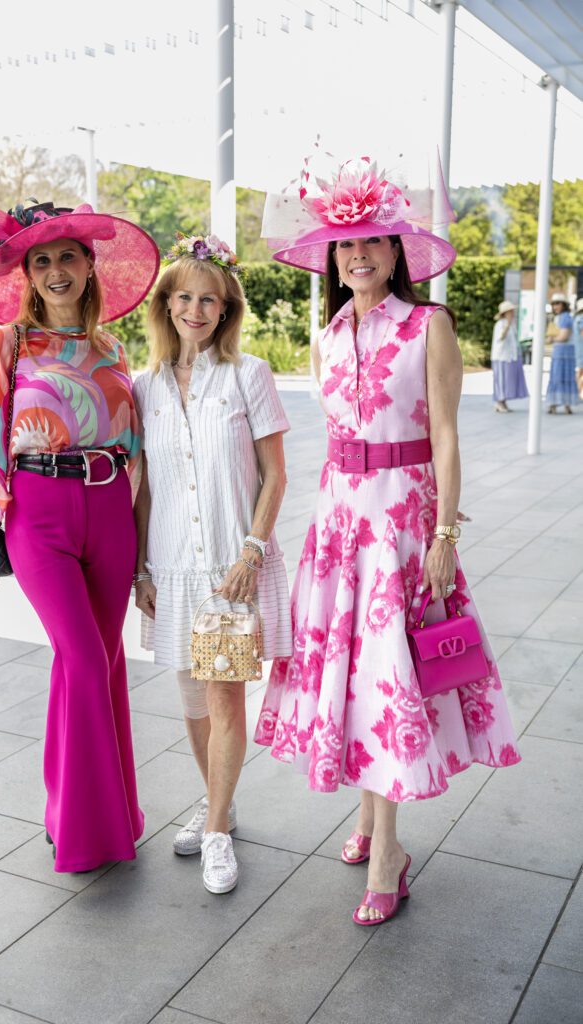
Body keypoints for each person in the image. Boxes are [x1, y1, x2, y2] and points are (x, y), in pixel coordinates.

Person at [255, 153, 521, 926]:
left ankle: (388, 852)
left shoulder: (428, 325)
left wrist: (442, 533)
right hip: (340, 527)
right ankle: (370, 820)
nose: (358, 256)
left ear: (397, 251)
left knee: (384, 677)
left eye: (372, 243)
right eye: (345, 246)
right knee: (351, 675)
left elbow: (443, 433)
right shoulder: (327, 333)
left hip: (402, 524)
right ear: (332, 258)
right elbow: (335, 439)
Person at [0, 200, 160, 872]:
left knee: (103, 662)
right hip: (39, 511)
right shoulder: (8, 344)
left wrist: (145, 550)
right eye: (40, 262)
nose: (55, 270)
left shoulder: (113, 348)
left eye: (66, 256)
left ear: (87, 263)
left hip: (108, 511)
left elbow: (135, 449)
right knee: (82, 659)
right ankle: (87, 829)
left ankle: (98, 811)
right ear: (28, 277)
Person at [133, 233, 291, 894]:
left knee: (225, 695)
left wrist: (251, 551)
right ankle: (215, 801)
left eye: (211, 301)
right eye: (185, 298)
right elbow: (143, 485)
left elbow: (275, 475)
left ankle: (219, 830)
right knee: (193, 698)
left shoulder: (248, 374)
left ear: (226, 310)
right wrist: (141, 567)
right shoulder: (142, 387)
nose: (197, 310)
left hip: (234, 564)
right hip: (171, 567)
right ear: (165, 305)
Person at [491, 300, 528, 412]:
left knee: (507, 380)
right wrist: (507, 325)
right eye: (510, 311)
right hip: (500, 357)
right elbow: (501, 338)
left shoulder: (512, 325)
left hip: (510, 357)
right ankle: (499, 402)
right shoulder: (500, 324)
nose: (512, 313)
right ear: (505, 313)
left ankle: (503, 402)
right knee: (501, 380)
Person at [546, 293, 578, 413]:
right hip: (559, 351)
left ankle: (565, 404)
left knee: (562, 376)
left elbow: (564, 336)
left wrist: (551, 339)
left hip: (565, 352)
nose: (555, 306)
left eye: (558, 303)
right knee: (557, 377)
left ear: (564, 305)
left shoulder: (566, 317)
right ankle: (557, 404)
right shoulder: (557, 318)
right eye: (554, 304)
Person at [573, 297, 583, 400]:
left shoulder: (577, 318)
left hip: (578, 348)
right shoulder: (581, 318)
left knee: (580, 370)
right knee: (580, 370)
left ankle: (579, 392)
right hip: (581, 348)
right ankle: (579, 392)